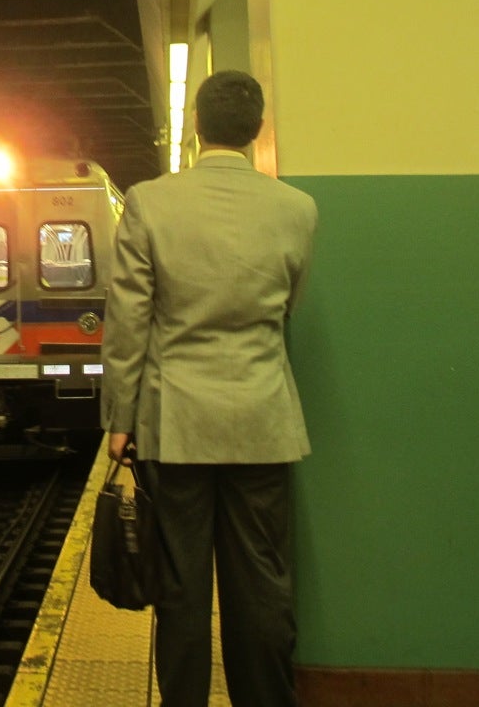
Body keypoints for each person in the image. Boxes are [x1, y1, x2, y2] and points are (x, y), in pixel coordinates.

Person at [101, 70, 318, 707]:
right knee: (262, 587)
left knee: (182, 590)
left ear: (197, 126)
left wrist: (120, 418)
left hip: (177, 426)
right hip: (263, 422)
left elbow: (129, 319)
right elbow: (287, 310)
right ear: (255, 130)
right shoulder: (298, 209)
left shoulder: (150, 202)